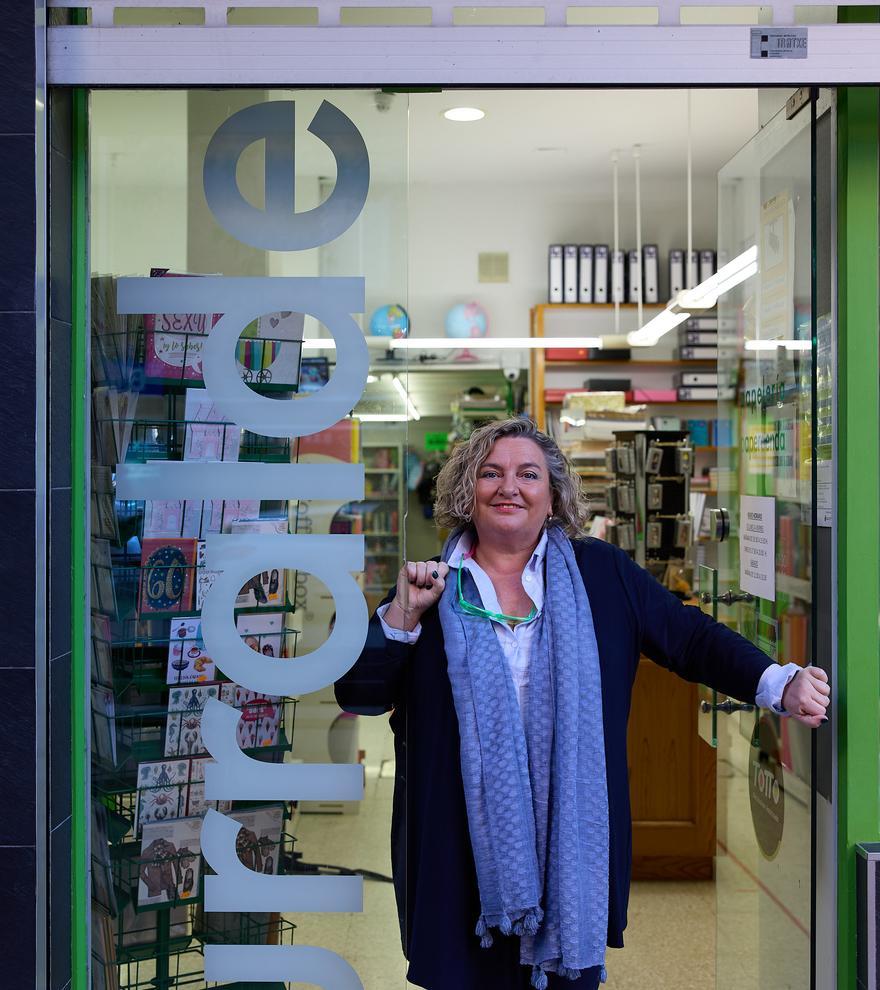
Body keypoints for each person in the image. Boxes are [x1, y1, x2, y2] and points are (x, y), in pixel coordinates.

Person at [335, 418, 829, 990]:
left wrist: (777, 681)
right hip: (455, 840)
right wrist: (402, 617)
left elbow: (689, 638)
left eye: (528, 474)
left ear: (554, 495)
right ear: (466, 491)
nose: (508, 487)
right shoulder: (430, 588)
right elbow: (359, 695)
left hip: (570, 841)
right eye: (490, 473)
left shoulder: (599, 575)